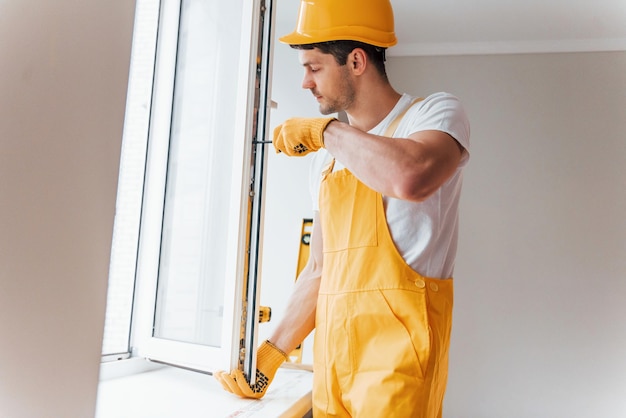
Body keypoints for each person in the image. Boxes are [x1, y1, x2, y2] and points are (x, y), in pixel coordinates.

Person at [214, 0, 470, 416]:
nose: (304, 83)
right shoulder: (326, 160)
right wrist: (267, 358)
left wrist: (326, 132)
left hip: (397, 369)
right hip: (333, 369)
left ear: (355, 61)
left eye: (313, 68)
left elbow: (411, 176)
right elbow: (319, 270)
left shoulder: (432, 114)